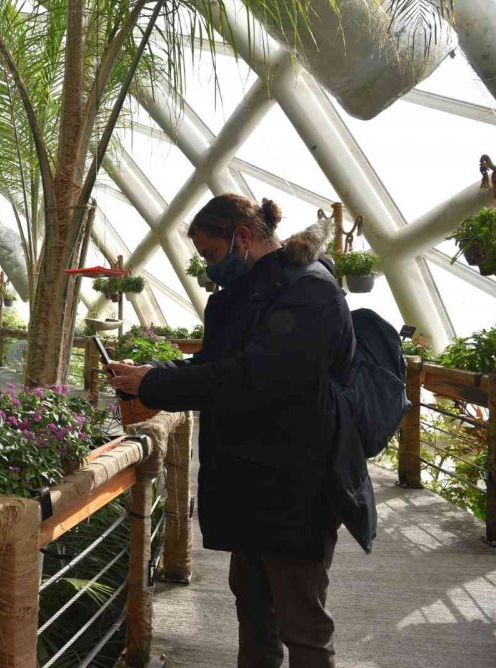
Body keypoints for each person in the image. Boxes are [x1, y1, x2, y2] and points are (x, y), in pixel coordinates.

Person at [108, 194, 371, 668]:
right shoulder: (244, 295)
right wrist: (151, 375)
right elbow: (215, 367)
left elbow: (256, 377)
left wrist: (159, 382)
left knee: (302, 621)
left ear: (242, 238)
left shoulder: (309, 291)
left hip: (297, 486)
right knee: (253, 612)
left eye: (211, 254)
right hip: (252, 484)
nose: (209, 269)